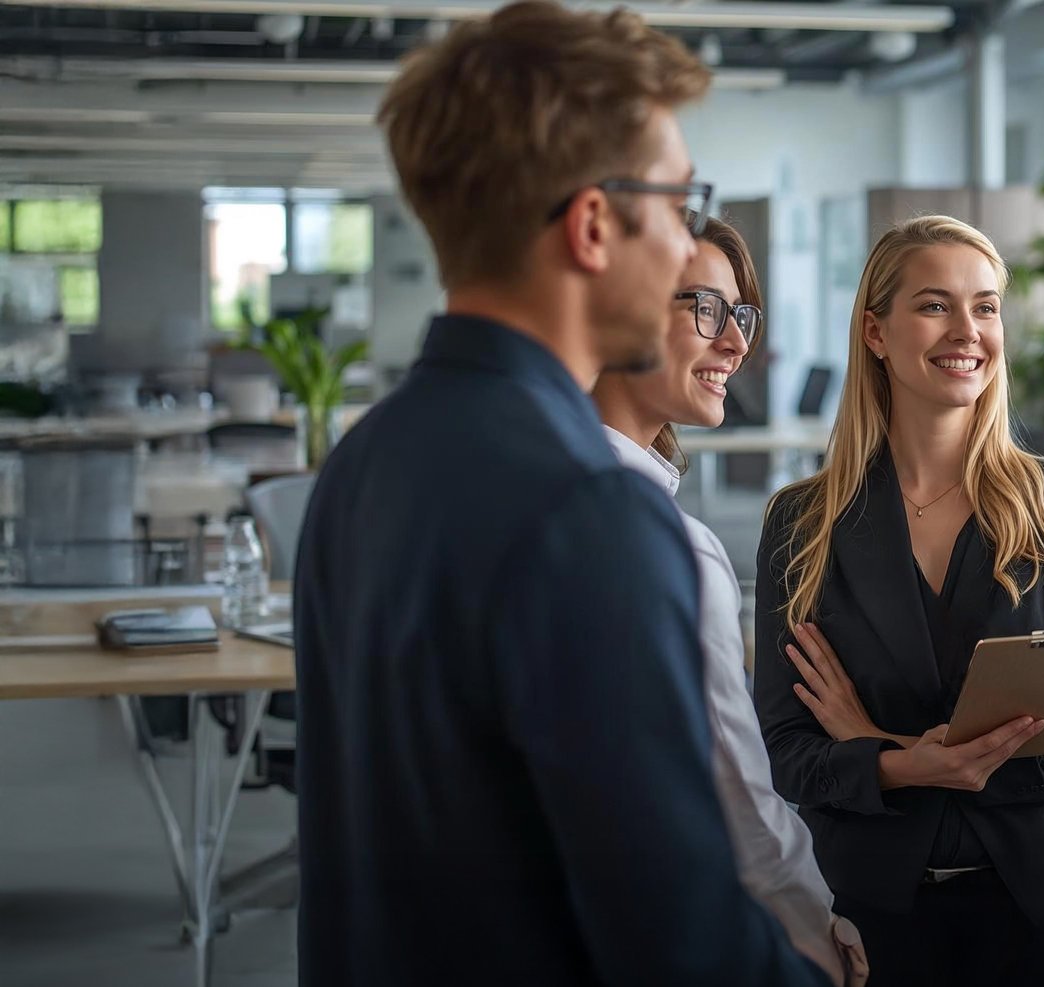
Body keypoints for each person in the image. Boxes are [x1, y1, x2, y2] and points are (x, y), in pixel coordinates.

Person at [293, 4, 828, 984]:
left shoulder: (362, 464)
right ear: (592, 226)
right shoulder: (592, 514)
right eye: (676, 205)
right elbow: (676, 932)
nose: (682, 246)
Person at [753, 216, 1044, 987]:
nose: (968, 330)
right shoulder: (803, 522)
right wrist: (900, 764)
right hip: (872, 905)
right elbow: (786, 751)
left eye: (985, 306)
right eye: (935, 305)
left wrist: (883, 749)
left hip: (1030, 901)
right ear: (875, 331)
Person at [590, 212, 867, 985]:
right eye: (706, 308)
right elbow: (740, 793)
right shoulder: (672, 548)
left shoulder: (522, 481)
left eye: (739, 314)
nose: (738, 343)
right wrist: (818, 919)